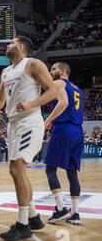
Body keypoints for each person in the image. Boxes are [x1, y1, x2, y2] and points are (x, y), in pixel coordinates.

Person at [0, 36, 57, 241]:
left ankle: (23, 225)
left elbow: (52, 91)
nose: (6, 45)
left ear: (20, 47)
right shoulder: (6, 71)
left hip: (29, 120)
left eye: (10, 42)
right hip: (13, 123)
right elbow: (0, 99)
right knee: (19, 172)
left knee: (16, 168)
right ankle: (33, 216)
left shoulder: (33, 64)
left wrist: (32, 104)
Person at [44, 62, 83, 225]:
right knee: (72, 172)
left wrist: (48, 119)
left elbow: (63, 103)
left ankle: (60, 209)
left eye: (53, 69)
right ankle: (75, 213)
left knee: (50, 168)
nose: (50, 72)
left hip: (64, 129)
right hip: (78, 131)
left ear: (63, 71)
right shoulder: (77, 88)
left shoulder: (58, 83)